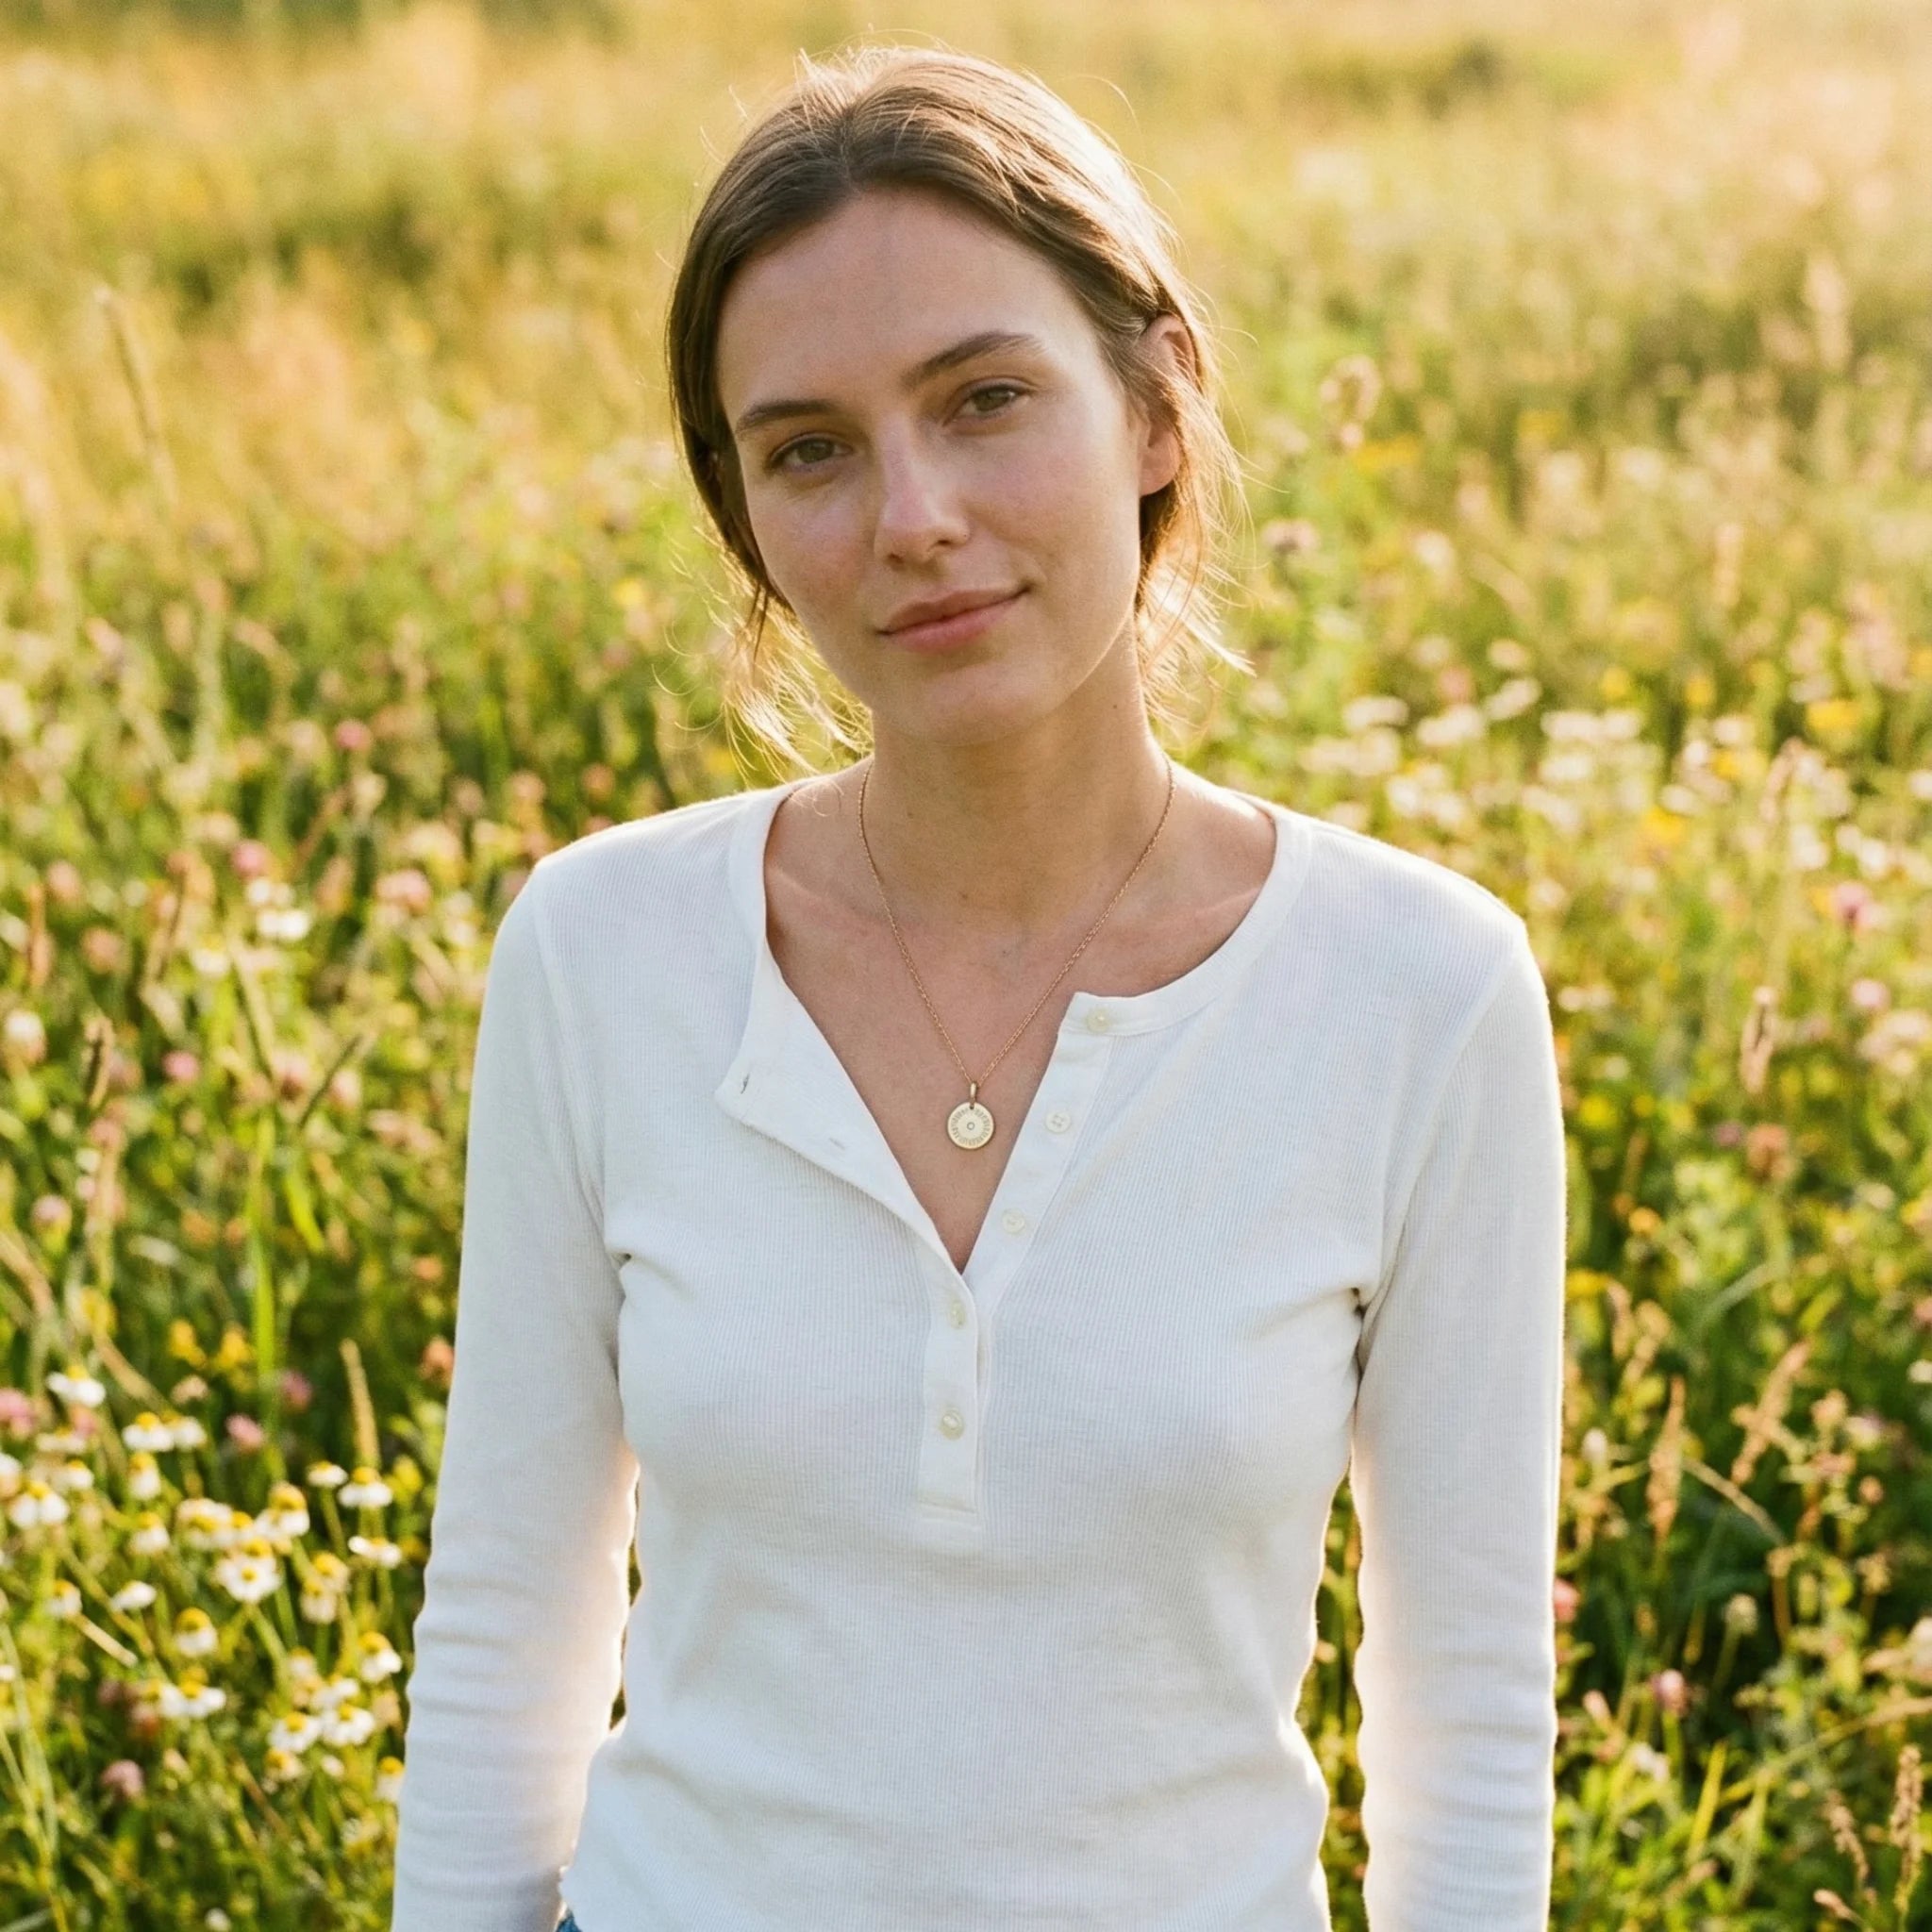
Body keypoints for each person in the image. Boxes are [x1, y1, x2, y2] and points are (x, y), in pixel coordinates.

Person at [388, 41, 1567, 1932]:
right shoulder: (600, 952)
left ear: (1158, 404)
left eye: (985, 398)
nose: (911, 515)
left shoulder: (1419, 991)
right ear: (748, 519)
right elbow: (507, 1621)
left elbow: (1469, 1714)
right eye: (812, 451)